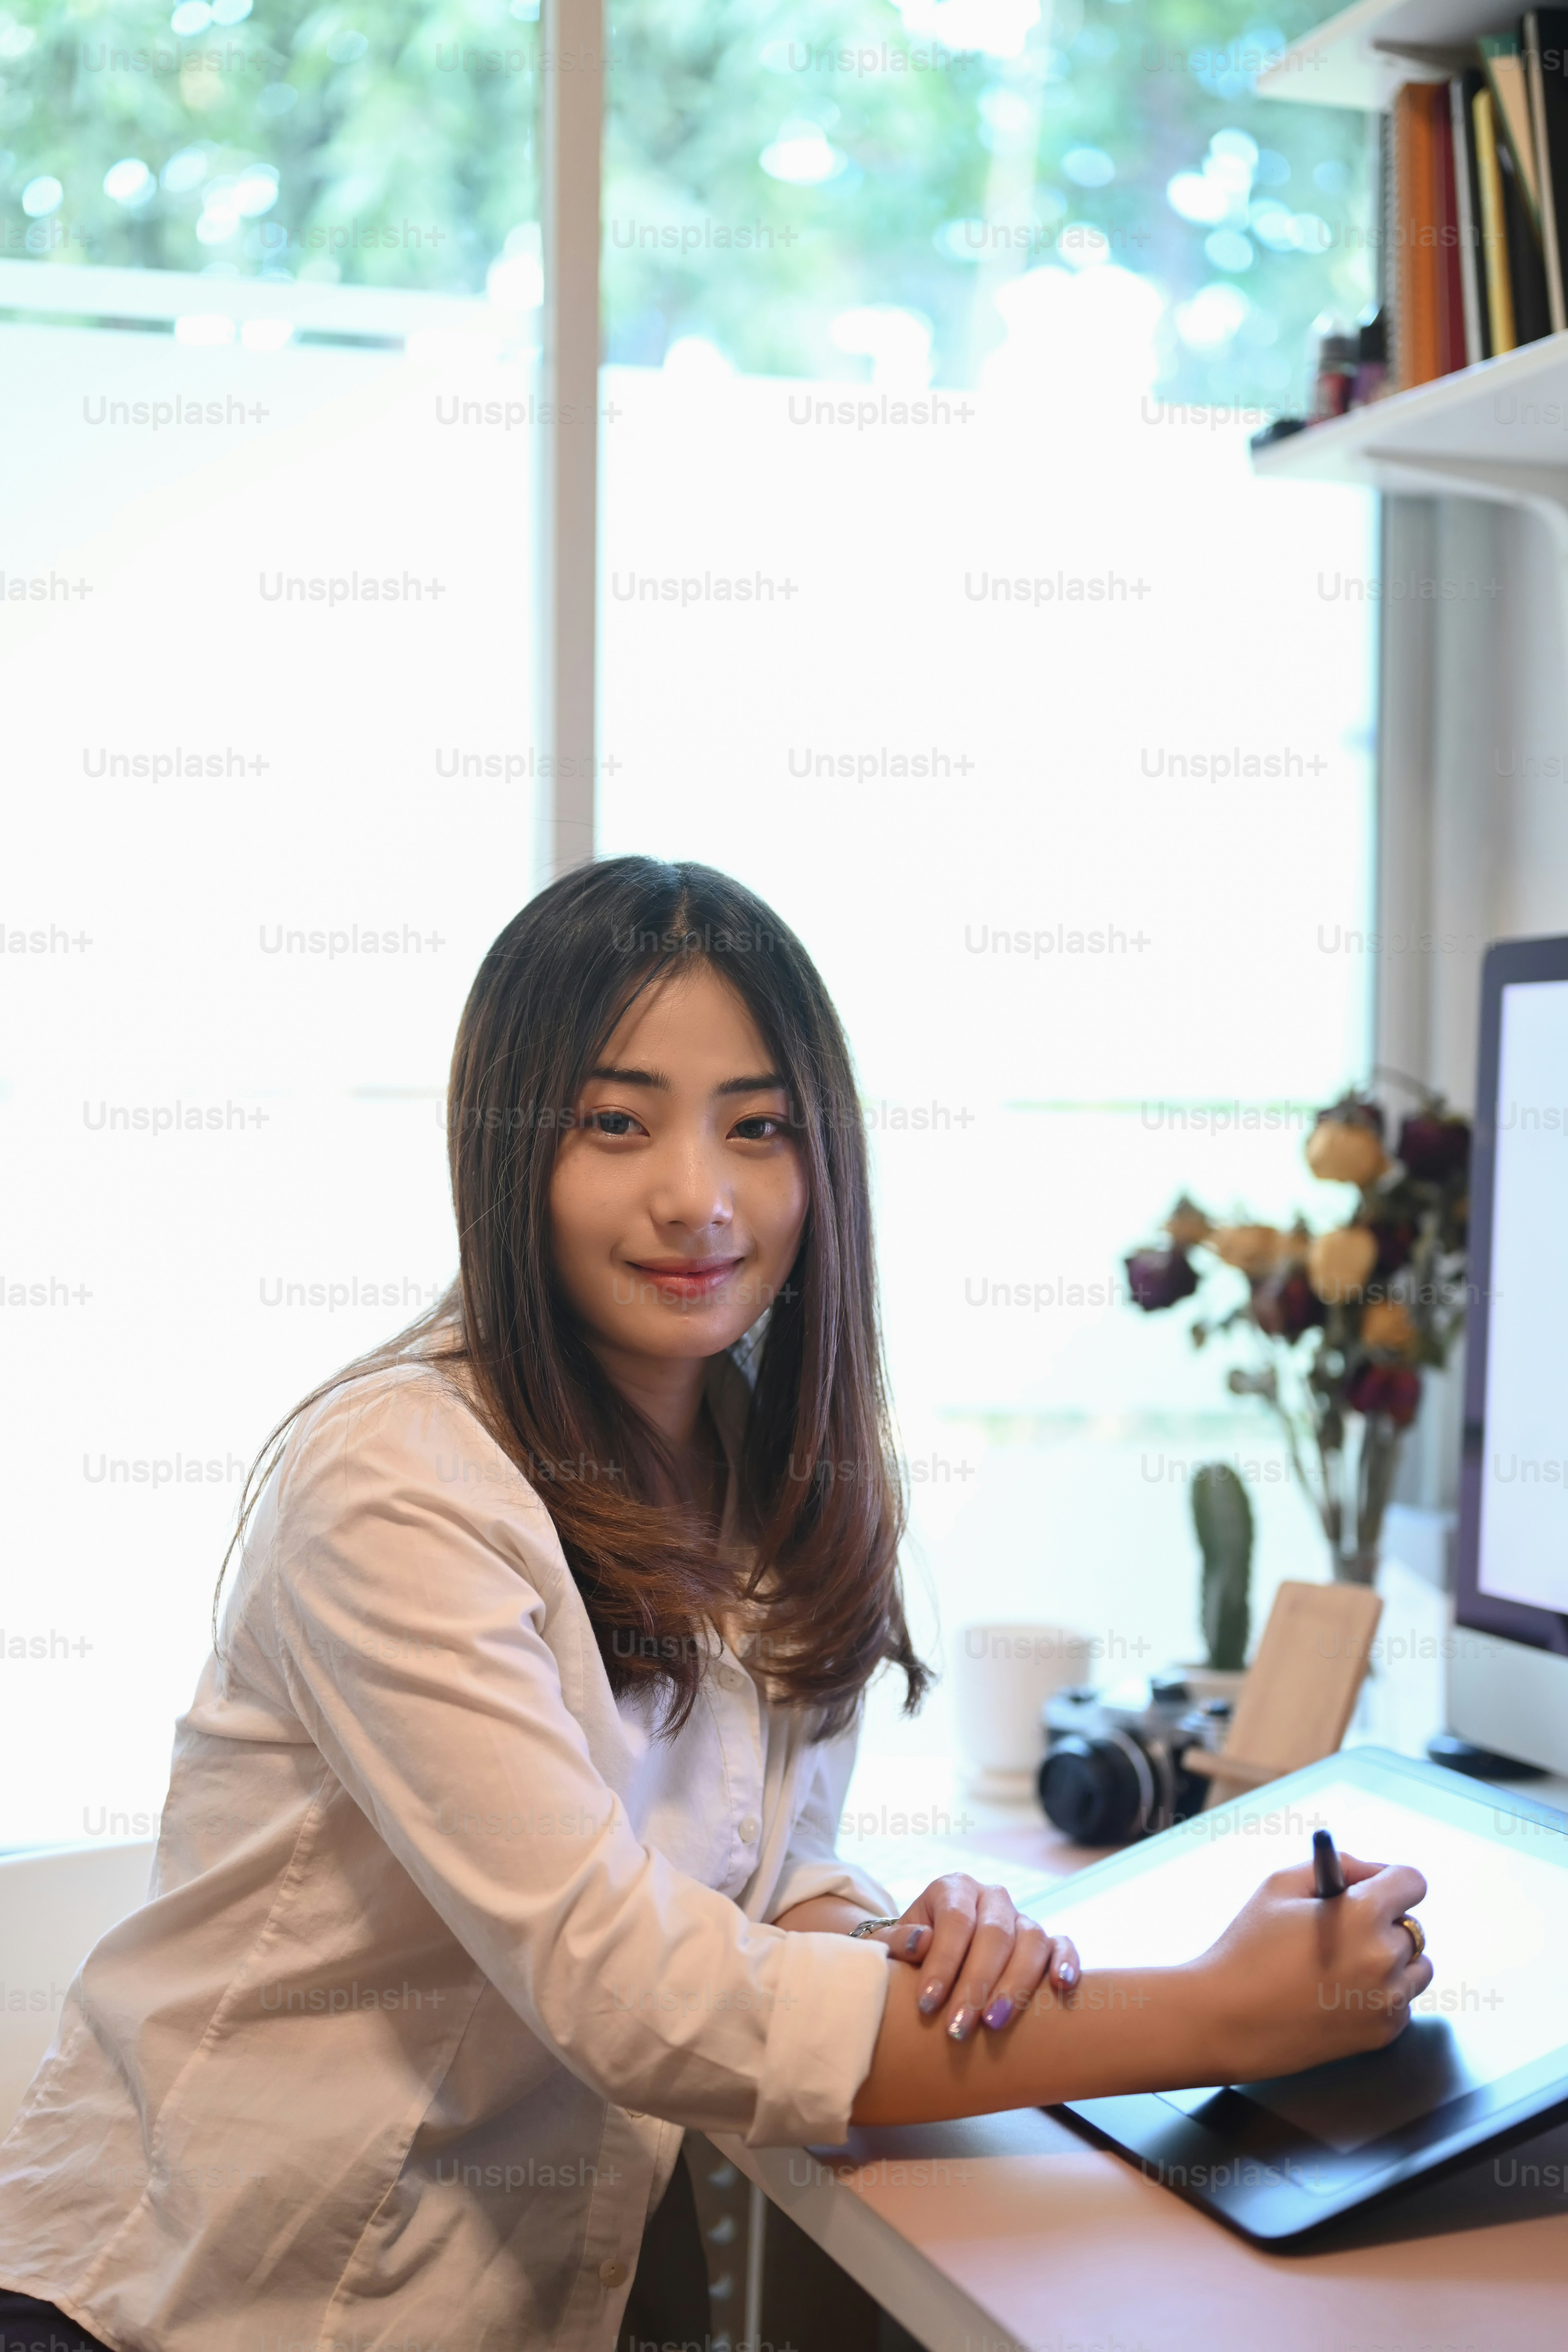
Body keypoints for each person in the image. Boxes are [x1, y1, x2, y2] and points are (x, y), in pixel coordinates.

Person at [0, 858, 1432, 2352]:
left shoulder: (765, 1459)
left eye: (757, 1129)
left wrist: (904, 1936)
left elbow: (758, 1854)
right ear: (509, 1155)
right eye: (617, 1125)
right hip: (210, 2306)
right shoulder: (397, 1484)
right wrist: (1213, 2016)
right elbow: (626, 1986)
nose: (699, 1198)